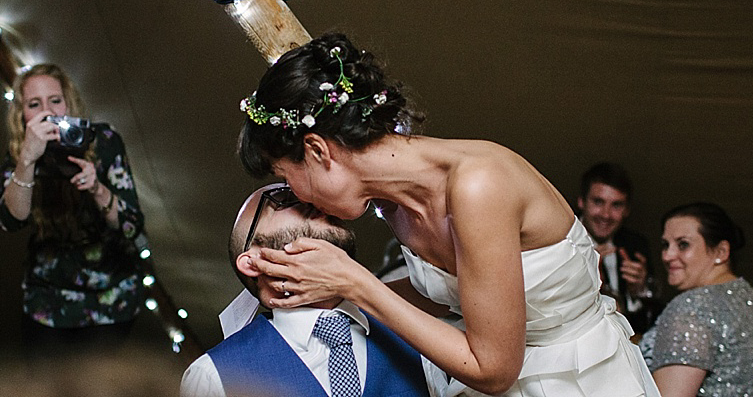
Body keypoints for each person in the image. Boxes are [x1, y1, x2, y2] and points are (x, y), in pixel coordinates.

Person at [236, 33, 653, 397]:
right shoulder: (390, 201)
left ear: (316, 151)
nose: (297, 194)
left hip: (582, 381)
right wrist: (328, 293)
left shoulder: (478, 186)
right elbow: (460, 288)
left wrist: (356, 282)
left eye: (286, 176)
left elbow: (494, 371)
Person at [181, 182, 438, 397]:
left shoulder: (418, 331)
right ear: (253, 260)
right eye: (283, 197)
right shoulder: (213, 375)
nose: (312, 199)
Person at [0, 63, 146, 357]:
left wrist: (98, 189)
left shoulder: (103, 141)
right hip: (49, 302)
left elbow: (132, 226)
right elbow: (10, 221)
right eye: (34, 104)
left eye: (55, 100)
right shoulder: (19, 155)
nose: (48, 112)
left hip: (111, 299)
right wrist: (27, 161)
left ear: (69, 102)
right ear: (22, 115)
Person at [641, 202, 753, 397]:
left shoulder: (691, 308)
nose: (668, 255)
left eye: (683, 244)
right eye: (665, 245)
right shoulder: (751, 297)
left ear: (721, 252)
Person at [577, 161, 663, 334]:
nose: (606, 214)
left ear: (627, 210)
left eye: (616, 205)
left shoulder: (635, 245)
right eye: (598, 202)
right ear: (581, 202)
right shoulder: (562, 240)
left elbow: (649, 321)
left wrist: (639, 291)